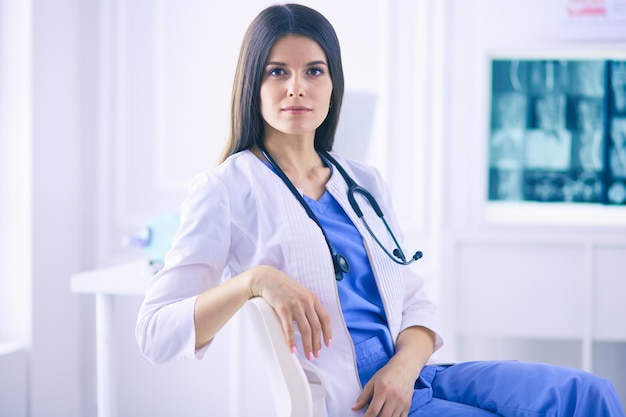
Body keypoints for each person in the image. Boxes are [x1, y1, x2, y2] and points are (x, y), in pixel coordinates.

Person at [136, 4, 626, 416]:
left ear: (333, 84)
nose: (296, 87)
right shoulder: (226, 189)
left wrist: (403, 369)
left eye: (314, 70)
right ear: (253, 84)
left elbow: (416, 301)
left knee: (591, 395)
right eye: (277, 71)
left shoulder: (362, 182)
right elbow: (155, 332)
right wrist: (254, 280)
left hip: (413, 376)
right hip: (361, 402)